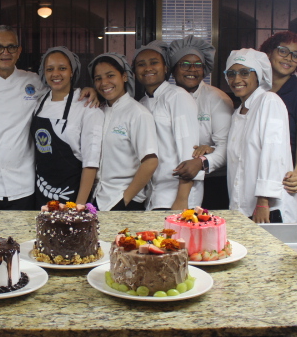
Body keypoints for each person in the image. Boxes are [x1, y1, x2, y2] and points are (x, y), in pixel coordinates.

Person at [224, 48, 297, 223]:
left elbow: (273, 154)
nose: (236, 79)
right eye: (231, 74)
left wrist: (263, 201)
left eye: (244, 73)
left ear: (257, 76)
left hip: (268, 208)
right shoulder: (238, 113)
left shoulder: (269, 101)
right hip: (244, 207)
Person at [31, 46, 103, 206]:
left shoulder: (87, 107)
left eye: (62, 68)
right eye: (50, 69)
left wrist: (78, 207)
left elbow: (91, 163)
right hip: (41, 193)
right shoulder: (39, 102)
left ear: (72, 71)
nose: (55, 74)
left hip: (72, 195)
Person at [170, 36, 234, 210]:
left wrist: (203, 160)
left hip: (212, 182)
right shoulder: (166, 98)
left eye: (198, 65)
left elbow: (226, 146)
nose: (192, 69)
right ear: (173, 69)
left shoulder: (217, 99)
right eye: (185, 64)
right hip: (172, 180)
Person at [134, 40, 199, 210]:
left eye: (154, 62)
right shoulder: (141, 103)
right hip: (152, 196)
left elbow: (189, 152)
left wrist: (182, 199)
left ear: (165, 68)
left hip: (176, 196)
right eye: (141, 64)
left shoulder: (177, 96)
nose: (147, 68)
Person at [259, 31, 297, 222]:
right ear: (269, 53)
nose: (289, 58)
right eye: (283, 51)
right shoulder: (257, 89)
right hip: (261, 168)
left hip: (289, 173)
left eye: (295, 55)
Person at [90, 52, 158, 211]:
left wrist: (125, 199)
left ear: (124, 77)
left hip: (122, 200)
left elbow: (150, 162)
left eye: (110, 76)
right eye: (98, 78)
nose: (104, 83)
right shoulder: (98, 111)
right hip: (97, 198)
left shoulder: (138, 113)